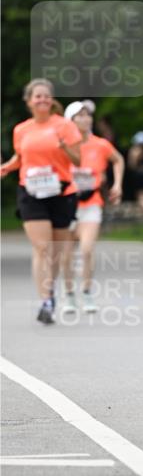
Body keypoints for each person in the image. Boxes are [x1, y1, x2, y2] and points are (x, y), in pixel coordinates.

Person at [0, 79, 81, 324]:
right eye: (38, 96)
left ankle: (51, 290)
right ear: (29, 101)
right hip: (31, 192)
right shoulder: (21, 130)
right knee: (41, 248)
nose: (43, 100)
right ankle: (45, 299)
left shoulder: (65, 126)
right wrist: (6, 167)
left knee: (55, 252)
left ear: (52, 100)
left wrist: (64, 147)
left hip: (61, 192)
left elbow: (77, 160)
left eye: (47, 96)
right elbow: (20, 157)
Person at [60, 101, 124, 315]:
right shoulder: (63, 145)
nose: (85, 119)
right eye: (80, 115)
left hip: (91, 203)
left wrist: (117, 184)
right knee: (66, 254)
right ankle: (69, 295)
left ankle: (86, 292)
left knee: (87, 250)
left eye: (88, 115)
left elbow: (118, 160)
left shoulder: (100, 144)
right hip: (66, 203)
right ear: (70, 121)